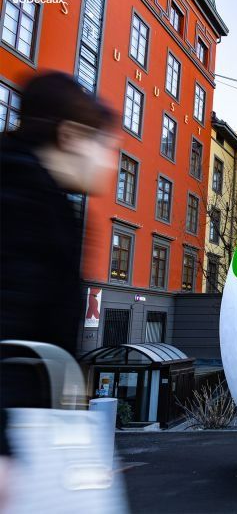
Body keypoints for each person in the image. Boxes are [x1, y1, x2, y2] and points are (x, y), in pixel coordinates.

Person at [1, 72, 117, 508]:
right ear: (69, 136)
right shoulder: (21, 197)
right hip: (18, 437)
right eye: (103, 145)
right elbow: (8, 324)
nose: (109, 161)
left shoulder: (45, 198)